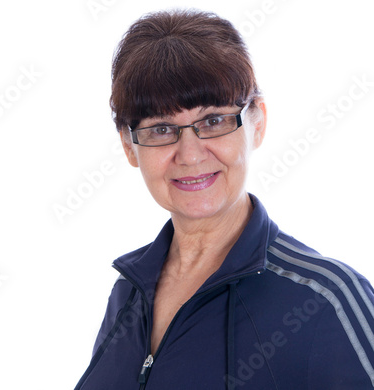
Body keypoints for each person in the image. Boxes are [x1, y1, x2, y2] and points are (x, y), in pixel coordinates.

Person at [75, 9, 374, 390]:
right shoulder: (128, 295)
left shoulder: (326, 300)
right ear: (129, 147)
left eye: (213, 120)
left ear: (257, 122)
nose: (190, 154)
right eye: (162, 128)